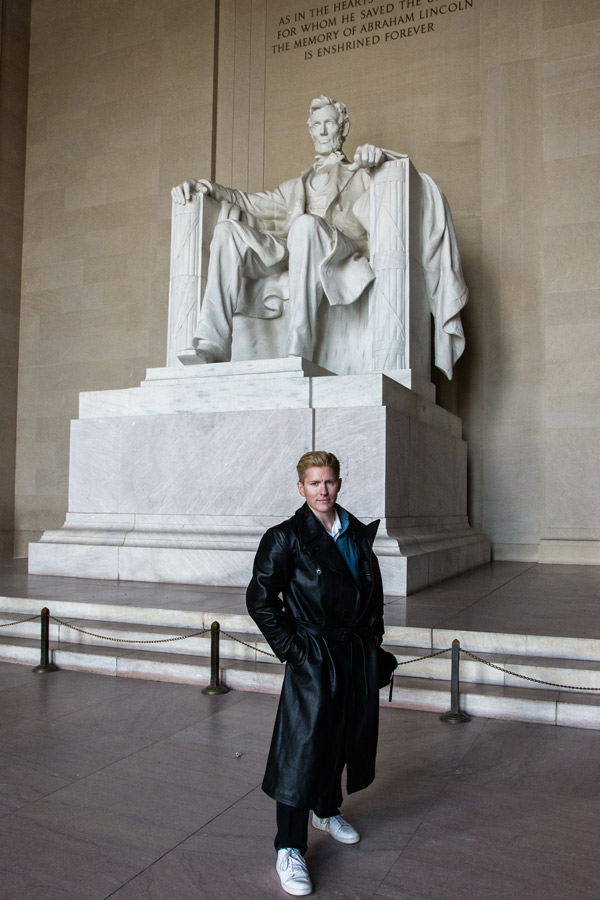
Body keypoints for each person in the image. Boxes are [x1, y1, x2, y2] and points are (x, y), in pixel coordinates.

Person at [246, 451, 392, 896]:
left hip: (353, 651)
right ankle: (289, 846)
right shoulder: (286, 537)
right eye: (314, 483)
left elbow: (373, 595)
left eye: (328, 482)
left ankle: (326, 809)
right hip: (313, 653)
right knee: (302, 746)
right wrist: (294, 649)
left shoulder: (355, 533)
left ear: (339, 483)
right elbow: (260, 600)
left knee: (344, 733)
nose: (323, 491)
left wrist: (374, 645)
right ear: (300, 488)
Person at [171, 96, 401, 364]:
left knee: (305, 225)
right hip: (294, 248)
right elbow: (251, 202)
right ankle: (213, 343)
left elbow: (397, 173)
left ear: (344, 128)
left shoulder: (360, 171)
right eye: (317, 125)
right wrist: (207, 188)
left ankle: (299, 346)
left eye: (329, 123)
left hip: (339, 248)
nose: (323, 130)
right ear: (311, 130)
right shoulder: (296, 186)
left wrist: (379, 159)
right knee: (226, 232)